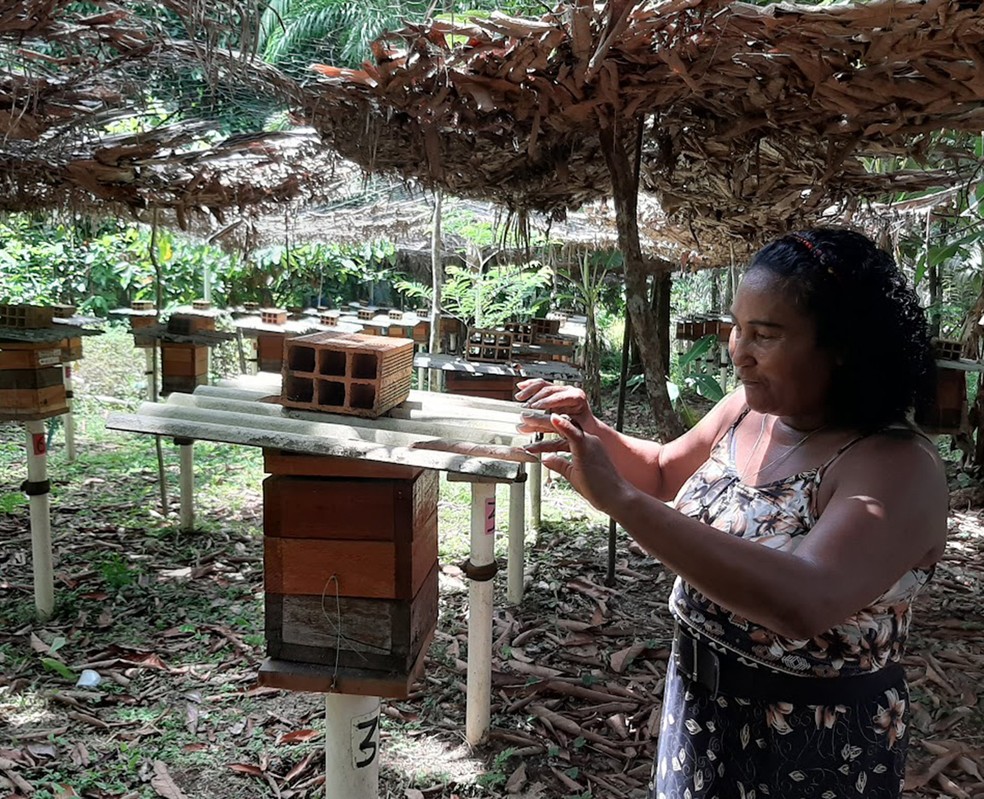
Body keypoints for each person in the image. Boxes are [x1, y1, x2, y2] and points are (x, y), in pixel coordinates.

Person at [515, 228, 948, 799]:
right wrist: (588, 430)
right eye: (736, 328)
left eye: (764, 335)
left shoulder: (895, 466)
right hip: (700, 709)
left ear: (843, 345)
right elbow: (666, 470)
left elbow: (803, 602)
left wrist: (620, 502)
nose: (737, 351)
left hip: (816, 744)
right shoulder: (745, 411)